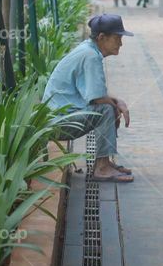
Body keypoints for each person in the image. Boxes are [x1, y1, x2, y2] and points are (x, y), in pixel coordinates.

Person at [43, 14, 135, 182]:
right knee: (107, 110)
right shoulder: (90, 56)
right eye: (117, 38)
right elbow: (97, 99)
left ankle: (104, 162)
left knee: (109, 106)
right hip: (58, 123)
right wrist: (116, 104)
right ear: (101, 37)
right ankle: (102, 168)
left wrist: (117, 101)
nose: (120, 43)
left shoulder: (89, 49)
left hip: (60, 118)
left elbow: (95, 93)